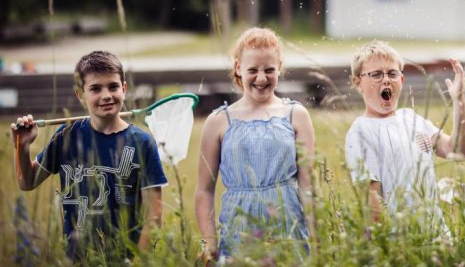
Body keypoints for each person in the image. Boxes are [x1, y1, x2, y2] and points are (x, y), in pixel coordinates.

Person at [11, 51, 167, 261]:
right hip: (76, 257)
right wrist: (22, 146)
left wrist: (139, 260)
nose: (106, 95)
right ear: (80, 94)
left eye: (113, 86)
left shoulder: (142, 142)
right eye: (95, 88)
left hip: (124, 259)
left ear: (124, 88)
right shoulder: (66, 136)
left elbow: (153, 217)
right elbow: (27, 182)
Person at [195, 27, 315, 261]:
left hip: (287, 229)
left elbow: (307, 186)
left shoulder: (296, 115)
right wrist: (209, 243)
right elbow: (203, 190)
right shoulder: (218, 122)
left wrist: (317, 241)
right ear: (238, 67)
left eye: (269, 69)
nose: (261, 78)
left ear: (280, 66)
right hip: (239, 230)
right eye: (253, 70)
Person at [344, 41, 465, 234]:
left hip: (438, 236)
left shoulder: (411, 119)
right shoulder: (360, 132)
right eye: (376, 74)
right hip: (402, 242)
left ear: (401, 80)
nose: (386, 80)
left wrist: (459, 100)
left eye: (392, 73)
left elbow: (458, 151)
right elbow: (373, 208)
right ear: (357, 82)